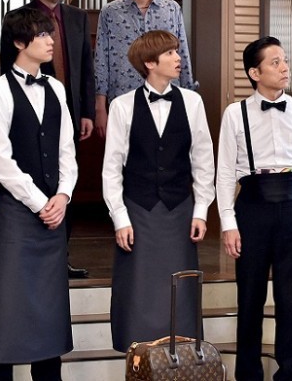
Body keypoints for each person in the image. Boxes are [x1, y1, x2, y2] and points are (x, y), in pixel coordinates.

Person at [216, 37, 292, 381]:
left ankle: (290, 373)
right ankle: (248, 374)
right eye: (275, 62)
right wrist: (228, 222)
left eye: (284, 61)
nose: (284, 68)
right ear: (255, 73)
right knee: (249, 298)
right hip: (252, 207)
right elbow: (224, 173)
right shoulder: (235, 113)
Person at [0, 7, 77, 380]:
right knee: (5, 313)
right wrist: (40, 202)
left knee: (49, 321)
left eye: (50, 33)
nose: (51, 41)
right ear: (20, 42)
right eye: (42, 34)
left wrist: (63, 196)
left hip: (53, 219)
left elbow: (66, 150)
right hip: (17, 217)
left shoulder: (56, 88)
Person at [101, 30, 215, 352]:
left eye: (176, 52)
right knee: (139, 291)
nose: (178, 58)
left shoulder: (192, 102)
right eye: (170, 53)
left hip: (180, 211)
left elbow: (203, 160)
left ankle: (182, 360)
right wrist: (120, 218)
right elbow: (112, 168)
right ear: (150, 63)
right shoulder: (122, 106)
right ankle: (140, 362)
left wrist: (201, 211)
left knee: (181, 289)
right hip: (138, 212)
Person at [1, 0, 95, 278]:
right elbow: (9, 66)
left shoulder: (77, 17)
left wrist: (87, 112)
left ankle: (60, 255)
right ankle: (30, 253)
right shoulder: (20, 18)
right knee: (35, 180)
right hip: (33, 111)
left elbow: (86, 68)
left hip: (70, 112)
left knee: (65, 180)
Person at [94, 0, 195, 138]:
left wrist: (188, 96)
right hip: (125, 99)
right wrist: (100, 107)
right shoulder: (110, 13)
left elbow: (182, 53)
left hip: (168, 98)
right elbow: (101, 60)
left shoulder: (171, 8)